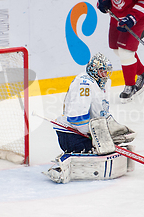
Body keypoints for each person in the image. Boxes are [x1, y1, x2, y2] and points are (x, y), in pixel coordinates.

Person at [45, 53, 136, 183]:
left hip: (86, 131)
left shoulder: (101, 83)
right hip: (72, 135)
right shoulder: (84, 84)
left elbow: (102, 112)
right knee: (102, 151)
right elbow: (77, 118)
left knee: (109, 147)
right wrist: (97, 136)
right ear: (94, 70)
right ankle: (65, 165)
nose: (105, 75)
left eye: (107, 72)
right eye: (102, 71)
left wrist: (111, 130)